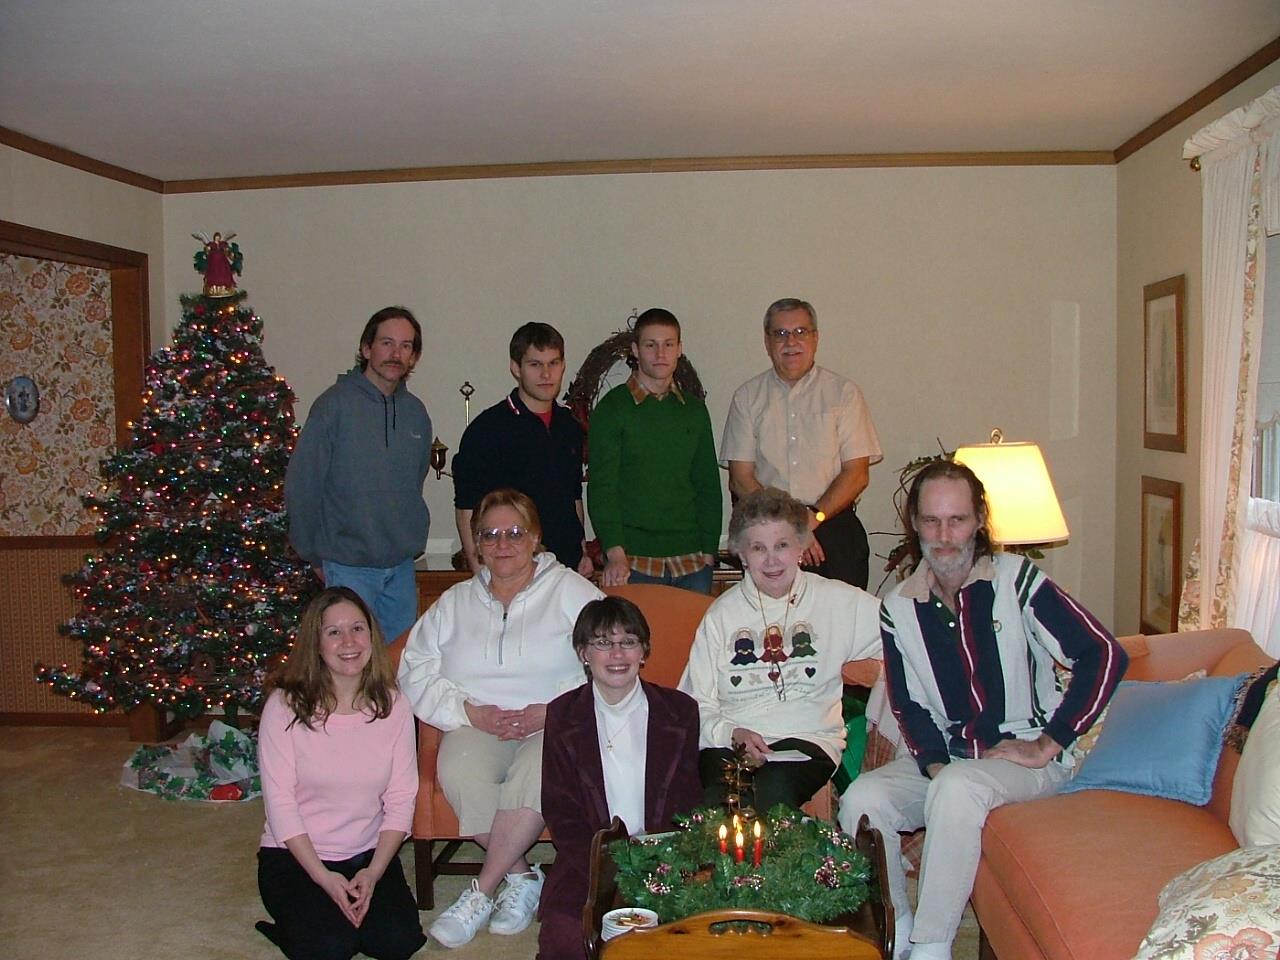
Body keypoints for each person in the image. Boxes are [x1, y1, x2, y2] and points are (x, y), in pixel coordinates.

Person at [837, 460, 1126, 960]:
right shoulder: (900, 606)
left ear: (979, 520)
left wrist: (1048, 742)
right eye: (931, 521)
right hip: (948, 759)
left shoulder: (1017, 581)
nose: (944, 535)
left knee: (956, 786)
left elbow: (1103, 653)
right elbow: (906, 702)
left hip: (1022, 763)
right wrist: (930, 761)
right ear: (916, 523)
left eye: (957, 520)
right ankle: (898, 926)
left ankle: (932, 946)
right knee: (861, 799)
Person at [398, 488, 602, 949]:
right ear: (476, 544)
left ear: (535, 538)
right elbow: (414, 670)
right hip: (477, 722)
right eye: (490, 535)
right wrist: (468, 711)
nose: (503, 543)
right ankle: (524, 877)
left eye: (515, 532)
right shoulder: (454, 602)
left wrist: (553, 712)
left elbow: (612, 660)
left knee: (536, 773)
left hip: (554, 724)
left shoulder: (572, 591)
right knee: (458, 769)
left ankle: (481, 890)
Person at [679, 487, 881, 812]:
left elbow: (905, 633)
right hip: (733, 740)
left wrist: (876, 670)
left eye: (782, 545)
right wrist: (733, 732)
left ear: (801, 547)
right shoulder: (722, 614)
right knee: (720, 801)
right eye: (758, 548)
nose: (772, 559)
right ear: (741, 555)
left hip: (807, 740)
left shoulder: (838, 602)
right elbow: (693, 703)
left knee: (770, 795)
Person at [255, 587, 425, 960]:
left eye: (358, 629)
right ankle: (297, 925)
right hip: (298, 858)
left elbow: (401, 798)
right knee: (330, 949)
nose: (349, 642)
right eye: (334, 632)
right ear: (315, 643)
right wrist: (323, 878)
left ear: (371, 636)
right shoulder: (284, 707)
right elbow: (280, 804)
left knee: (398, 943)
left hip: (365, 855)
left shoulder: (394, 704)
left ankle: (333, 920)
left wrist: (375, 872)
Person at [538, 596, 703, 960]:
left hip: (665, 857)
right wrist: (607, 866)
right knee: (564, 940)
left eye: (628, 642)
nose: (617, 654)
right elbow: (559, 807)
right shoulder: (563, 714)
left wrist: (660, 860)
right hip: (590, 859)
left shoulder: (680, 711)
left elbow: (688, 800)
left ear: (644, 651)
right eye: (602, 643)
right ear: (583, 653)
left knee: (681, 941)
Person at [285, 306, 432, 644]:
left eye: (406, 346)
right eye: (387, 343)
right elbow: (302, 484)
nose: (396, 354)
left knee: (399, 665)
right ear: (367, 348)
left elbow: (415, 479)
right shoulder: (333, 406)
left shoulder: (416, 414)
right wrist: (312, 553)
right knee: (350, 663)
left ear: (413, 357)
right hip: (348, 566)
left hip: (401, 568)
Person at [721, 298, 882, 589]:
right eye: (780, 334)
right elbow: (740, 478)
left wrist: (811, 520)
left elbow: (857, 474)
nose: (790, 342)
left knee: (840, 626)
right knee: (773, 629)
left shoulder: (844, 394)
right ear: (767, 342)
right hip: (766, 531)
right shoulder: (747, 398)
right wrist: (788, 526)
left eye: (800, 332)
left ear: (815, 338)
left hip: (831, 524)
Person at [587, 307, 722, 594]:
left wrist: (709, 550)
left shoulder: (694, 411)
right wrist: (615, 552)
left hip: (692, 562)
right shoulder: (613, 410)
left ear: (679, 350)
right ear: (635, 350)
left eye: (668, 344)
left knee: (691, 639)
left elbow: (707, 483)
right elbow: (602, 488)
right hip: (633, 561)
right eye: (651, 345)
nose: (660, 354)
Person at [453, 322, 591, 576]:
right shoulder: (487, 429)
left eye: (554, 363)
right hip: (511, 569)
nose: (546, 374)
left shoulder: (569, 426)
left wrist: (581, 550)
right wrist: (479, 571)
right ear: (516, 368)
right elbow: (466, 507)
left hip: (564, 569)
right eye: (535, 364)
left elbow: (573, 497)